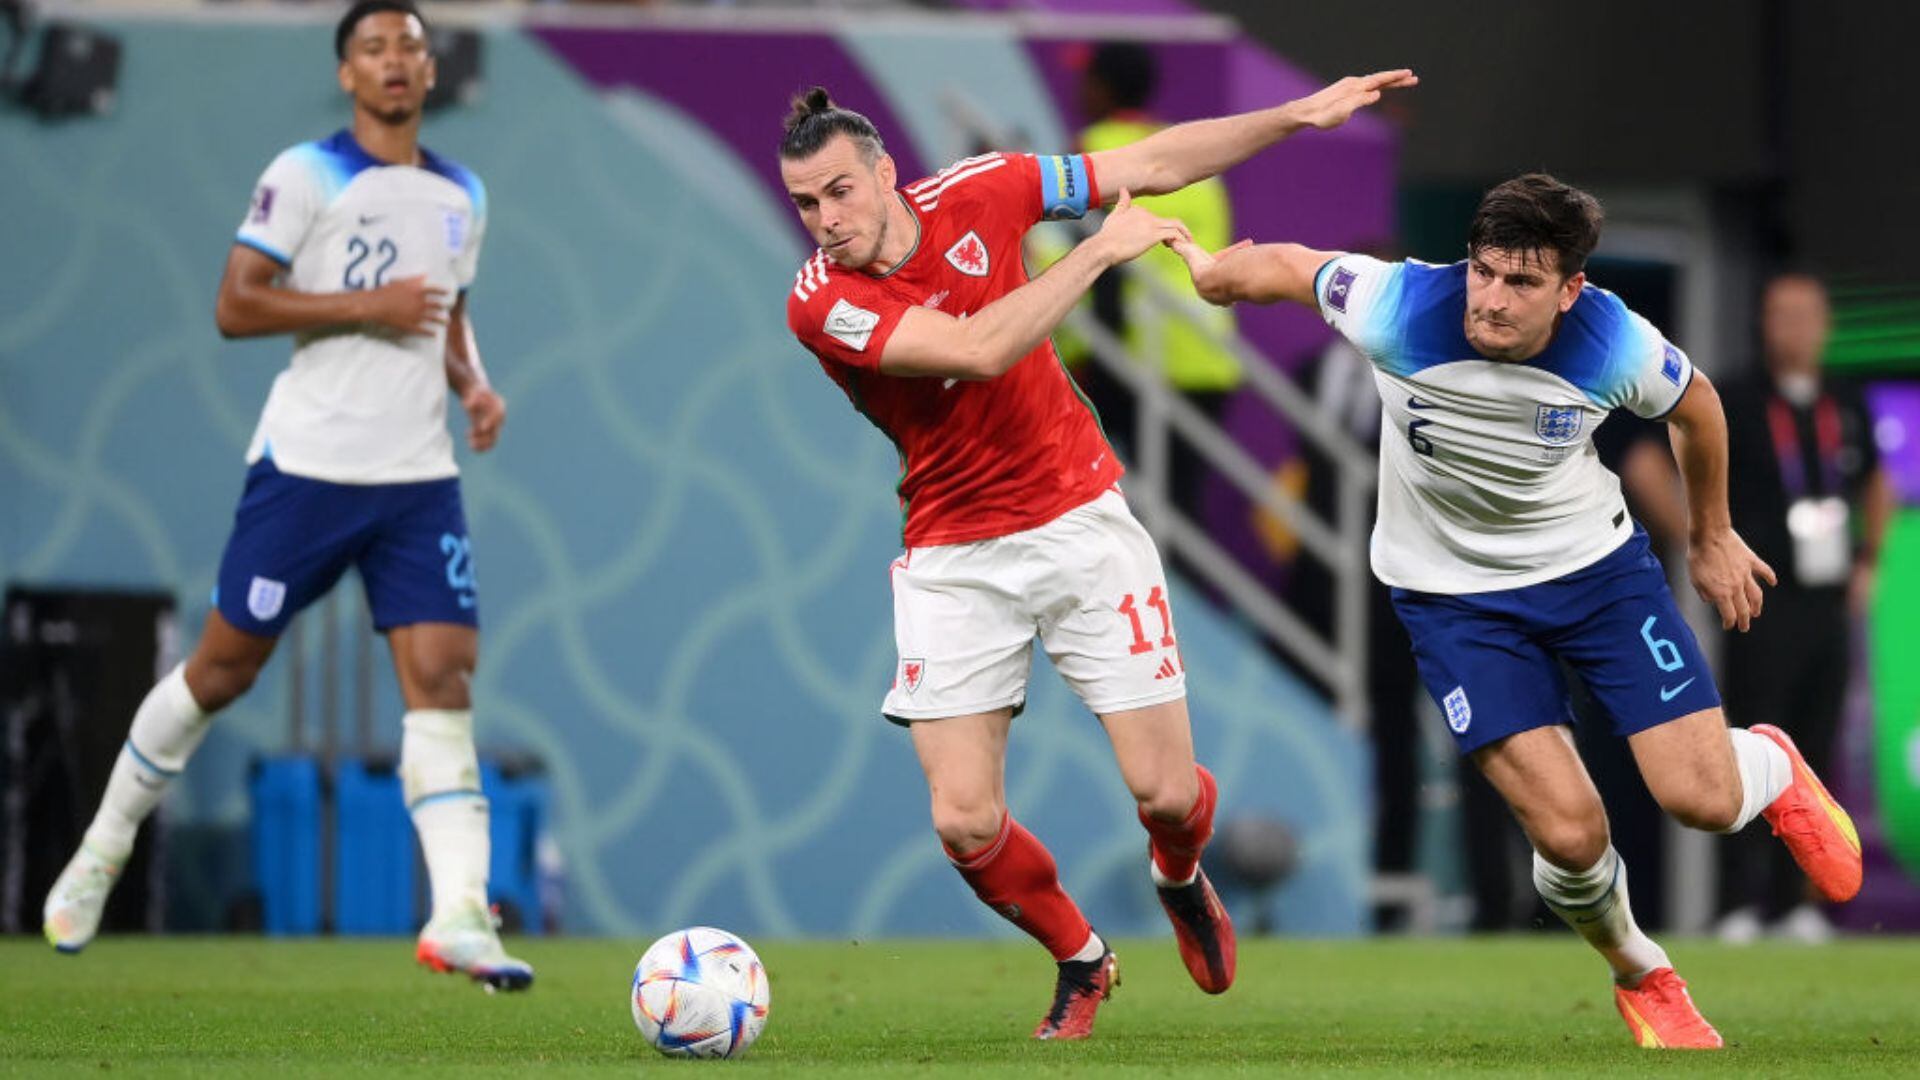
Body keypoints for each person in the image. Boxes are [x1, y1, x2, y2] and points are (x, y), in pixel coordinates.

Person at [778, 71, 1414, 1040]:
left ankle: (1178, 873)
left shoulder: (984, 190)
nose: (825, 219)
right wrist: (1100, 255)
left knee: (1165, 794)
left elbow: (1153, 163)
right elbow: (977, 348)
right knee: (964, 824)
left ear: (885, 173)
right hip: (954, 552)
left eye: (839, 191)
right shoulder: (821, 303)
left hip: (1079, 518)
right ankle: (1082, 959)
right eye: (805, 204)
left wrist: (1293, 116)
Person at [1168, 173, 1863, 1049]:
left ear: (1571, 290)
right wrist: (1207, 270)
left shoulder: (1615, 342)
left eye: (1522, 283)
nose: (1491, 302)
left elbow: (1700, 409)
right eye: (1484, 272)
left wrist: (1710, 534)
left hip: (1595, 575)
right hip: (1453, 600)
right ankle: (1644, 974)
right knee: (1570, 837)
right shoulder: (1396, 302)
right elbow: (1285, 265)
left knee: (1700, 797)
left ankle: (1770, 765)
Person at [41, 0, 530, 990]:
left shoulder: (461, 194)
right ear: (347, 74)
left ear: (432, 71)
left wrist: (473, 384)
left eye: (409, 48)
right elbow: (235, 304)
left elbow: (448, 312)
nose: (394, 63)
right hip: (308, 467)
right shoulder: (302, 176)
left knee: (442, 678)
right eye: (372, 49)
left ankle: (461, 916)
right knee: (223, 671)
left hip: (416, 480)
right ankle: (103, 846)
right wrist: (366, 304)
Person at [1716, 272, 1894, 944]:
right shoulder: (1733, 396)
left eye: (1806, 315)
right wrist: (1697, 539)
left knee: (1815, 747)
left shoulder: (1844, 399)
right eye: (1780, 315)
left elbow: (1876, 480)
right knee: (1747, 743)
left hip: (1825, 597)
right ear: (1764, 322)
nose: (1793, 328)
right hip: (1757, 598)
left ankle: (1801, 907)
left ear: (1825, 324)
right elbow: (1667, 464)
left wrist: (1870, 558)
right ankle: (1738, 902)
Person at [1063, 42, 1242, 534]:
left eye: (1086, 80)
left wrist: (1083, 350)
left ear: (1101, 88)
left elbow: (1088, 260)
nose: (1078, 91)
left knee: (1126, 516)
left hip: (1141, 359)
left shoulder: (1094, 147)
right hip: (1209, 359)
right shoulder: (1187, 151)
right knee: (1182, 514)